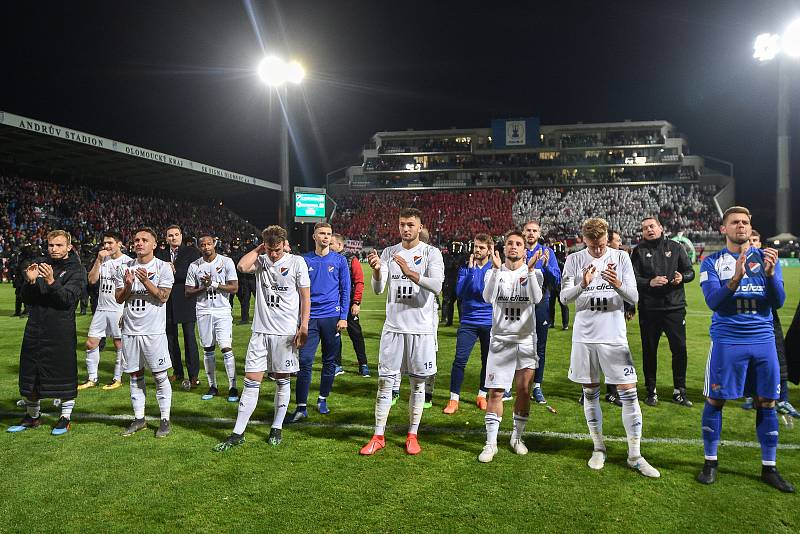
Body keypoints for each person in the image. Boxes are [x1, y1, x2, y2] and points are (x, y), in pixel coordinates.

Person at [697, 206, 794, 492]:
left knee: (767, 402)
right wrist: (735, 279)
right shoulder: (711, 262)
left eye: (745, 222)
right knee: (716, 400)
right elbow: (714, 301)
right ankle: (710, 463)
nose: (741, 226)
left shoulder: (765, 259)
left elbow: (777, 301)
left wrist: (772, 273)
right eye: (735, 222)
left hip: (763, 341)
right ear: (723, 229)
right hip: (728, 341)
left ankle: (769, 468)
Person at [561, 217, 659, 478]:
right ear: (584, 240)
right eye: (594, 247)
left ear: (607, 238)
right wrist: (582, 284)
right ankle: (598, 447)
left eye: (602, 245)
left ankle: (635, 455)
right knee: (590, 393)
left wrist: (617, 283)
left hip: (614, 337)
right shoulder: (574, 260)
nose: (599, 251)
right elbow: (563, 297)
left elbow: (634, 297)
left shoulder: (621, 257)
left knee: (629, 393)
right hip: (585, 337)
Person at [214, 226, 310, 450]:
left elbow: (306, 298)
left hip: (285, 333)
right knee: (251, 381)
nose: (273, 254)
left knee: (282, 380)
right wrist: (260, 249)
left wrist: (303, 326)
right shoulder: (262, 260)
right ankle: (238, 433)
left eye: (277, 249)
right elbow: (241, 266)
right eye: (270, 249)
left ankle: (276, 427)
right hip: (260, 332)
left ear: (284, 244)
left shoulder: (297, 263)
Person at [360, 208, 444, 456]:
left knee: (418, 384)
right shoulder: (389, 252)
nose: (405, 229)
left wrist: (411, 273)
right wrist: (376, 270)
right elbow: (377, 289)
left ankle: (412, 435)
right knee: (385, 383)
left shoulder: (431, 253)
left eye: (410, 224)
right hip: (394, 329)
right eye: (401, 224)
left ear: (420, 227)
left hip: (421, 330)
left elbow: (437, 286)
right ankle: (378, 436)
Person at [8, 230, 87, 436]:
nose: (54, 249)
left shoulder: (76, 270)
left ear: (69, 247)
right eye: (51, 245)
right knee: (31, 373)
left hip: (60, 330)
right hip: (35, 328)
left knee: (63, 372)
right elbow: (28, 299)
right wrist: (31, 282)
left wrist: (52, 281)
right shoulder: (41, 264)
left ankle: (65, 417)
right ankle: (32, 416)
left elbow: (67, 300)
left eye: (59, 245)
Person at [477, 232, 544, 463]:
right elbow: (487, 298)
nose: (513, 247)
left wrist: (533, 271)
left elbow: (536, 298)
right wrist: (495, 271)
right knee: (495, 391)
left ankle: (517, 437)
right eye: (509, 243)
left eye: (518, 244)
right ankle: (491, 443)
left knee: (524, 390)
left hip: (526, 340)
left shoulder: (534, 272)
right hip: (500, 341)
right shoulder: (493, 272)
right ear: (503, 248)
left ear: (525, 250)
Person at [286, 222, 350, 422]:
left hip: (332, 317)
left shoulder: (339, 261)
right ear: (314, 236)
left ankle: (323, 398)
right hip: (310, 318)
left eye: (329, 234)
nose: (326, 237)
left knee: (329, 361)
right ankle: (301, 407)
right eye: (322, 233)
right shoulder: (304, 260)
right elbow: (296, 290)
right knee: (304, 361)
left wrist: (343, 317)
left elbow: (345, 290)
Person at [115, 227, 175, 438]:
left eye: (144, 240)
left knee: (160, 376)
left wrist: (145, 281)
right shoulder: (125, 267)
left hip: (153, 332)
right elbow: (119, 299)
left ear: (154, 245)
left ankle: (165, 420)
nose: (139, 243)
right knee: (134, 376)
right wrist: (128, 286)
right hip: (130, 331)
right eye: (136, 240)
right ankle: (139, 418)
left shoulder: (163, 267)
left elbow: (163, 296)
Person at [630, 216, 695, 407]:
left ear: (660, 227)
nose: (648, 230)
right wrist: (649, 282)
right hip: (649, 309)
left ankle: (679, 391)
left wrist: (681, 277)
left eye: (652, 226)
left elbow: (690, 272)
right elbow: (632, 278)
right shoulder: (638, 251)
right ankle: (651, 391)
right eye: (644, 228)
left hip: (674, 308)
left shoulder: (675, 247)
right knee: (649, 351)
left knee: (679, 349)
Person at [740, 230, 800, 418]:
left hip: (768, 318)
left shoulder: (770, 262)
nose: (752, 242)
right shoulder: (737, 262)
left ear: (760, 242)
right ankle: (750, 395)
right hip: (744, 319)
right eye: (750, 240)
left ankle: (783, 399)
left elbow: (778, 296)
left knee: (778, 359)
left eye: (756, 240)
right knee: (748, 359)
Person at [443, 233, 494, 414]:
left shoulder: (494, 269)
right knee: (459, 360)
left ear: (489, 249)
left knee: (487, 361)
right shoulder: (466, 268)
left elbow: (484, 292)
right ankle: (453, 399)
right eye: (475, 247)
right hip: (468, 321)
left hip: (489, 321)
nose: (477, 250)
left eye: (481, 247)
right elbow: (460, 292)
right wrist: (472, 271)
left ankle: (482, 394)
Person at [185, 235, 239, 402]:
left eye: (209, 244)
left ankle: (233, 387)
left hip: (222, 311)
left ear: (214, 244)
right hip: (203, 311)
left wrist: (213, 284)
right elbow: (187, 292)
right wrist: (204, 287)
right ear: (199, 247)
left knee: (225, 348)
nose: (206, 247)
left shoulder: (226, 262)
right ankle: (213, 386)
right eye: (202, 245)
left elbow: (234, 288)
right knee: (208, 349)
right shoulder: (194, 266)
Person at [78, 231, 132, 391]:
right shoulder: (103, 260)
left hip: (118, 308)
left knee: (119, 344)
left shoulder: (128, 262)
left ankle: (117, 378)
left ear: (119, 243)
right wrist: (99, 260)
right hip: (101, 308)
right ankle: (92, 378)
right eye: (105, 243)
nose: (107, 246)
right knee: (90, 342)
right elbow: (92, 280)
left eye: (110, 243)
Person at [156, 225, 201, 389]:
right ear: (166, 238)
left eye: (176, 235)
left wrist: (171, 271)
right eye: (170, 235)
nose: (173, 238)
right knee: (170, 338)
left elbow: (191, 273)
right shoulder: (160, 254)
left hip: (186, 299)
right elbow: (157, 274)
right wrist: (170, 271)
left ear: (181, 236)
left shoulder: (192, 252)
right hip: (167, 301)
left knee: (190, 337)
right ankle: (177, 371)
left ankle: (194, 375)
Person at [522, 220, 560, 405]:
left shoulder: (548, 253)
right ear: (523, 232)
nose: (531, 233)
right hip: (519, 304)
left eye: (534, 231)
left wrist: (545, 265)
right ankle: (510, 386)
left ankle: (537, 386)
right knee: (514, 344)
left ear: (539, 233)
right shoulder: (518, 250)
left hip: (541, 305)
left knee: (540, 347)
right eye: (528, 230)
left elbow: (556, 279)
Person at [330, 233, 370, 377]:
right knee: (335, 335)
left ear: (339, 245)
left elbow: (359, 281)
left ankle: (363, 364)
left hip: (349, 304)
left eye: (331, 244)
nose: (329, 246)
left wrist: (356, 302)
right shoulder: (328, 259)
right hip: (334, 305)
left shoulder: (351, 259)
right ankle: (337, 364)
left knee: (356, 335)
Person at [230, 238, 256, 324]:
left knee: (244, 300)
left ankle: (244, 319)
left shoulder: (230, 256)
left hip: (242, 280)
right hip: (243, 280)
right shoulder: (242, 254)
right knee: (244, 300)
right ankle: (245, 318)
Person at [547, 240, 569, 330]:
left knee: (561, 304)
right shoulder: (557, 261)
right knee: (553, 305)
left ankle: (563, 324)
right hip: (554, 285)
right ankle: (553, 323)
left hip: (558, 285)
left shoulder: (563, 261)